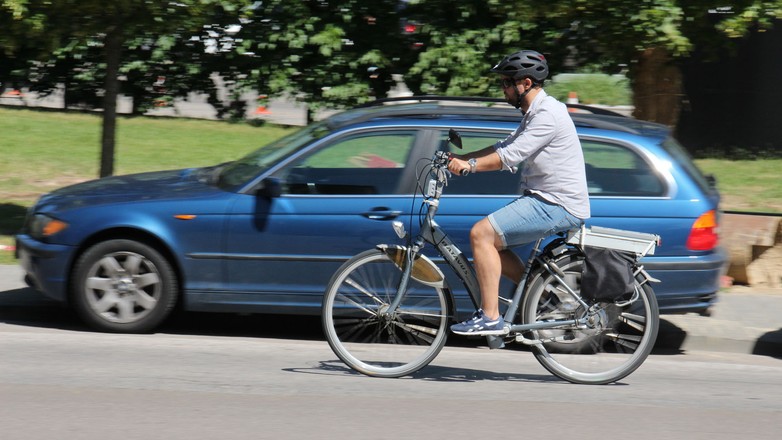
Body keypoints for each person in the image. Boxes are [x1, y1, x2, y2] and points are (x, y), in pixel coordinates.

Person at [448, 50, 591, 336]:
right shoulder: (536, 112)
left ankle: (490, 316)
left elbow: (511, 155)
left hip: (557, 204)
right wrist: (457, 158)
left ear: (525, 83)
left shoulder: (548, 114)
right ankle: (537, 291)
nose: (503, 89)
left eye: (506, 83)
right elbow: (504, 146)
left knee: (481, 234)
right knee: (492, 242)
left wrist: (470, 166)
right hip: (545, 199)